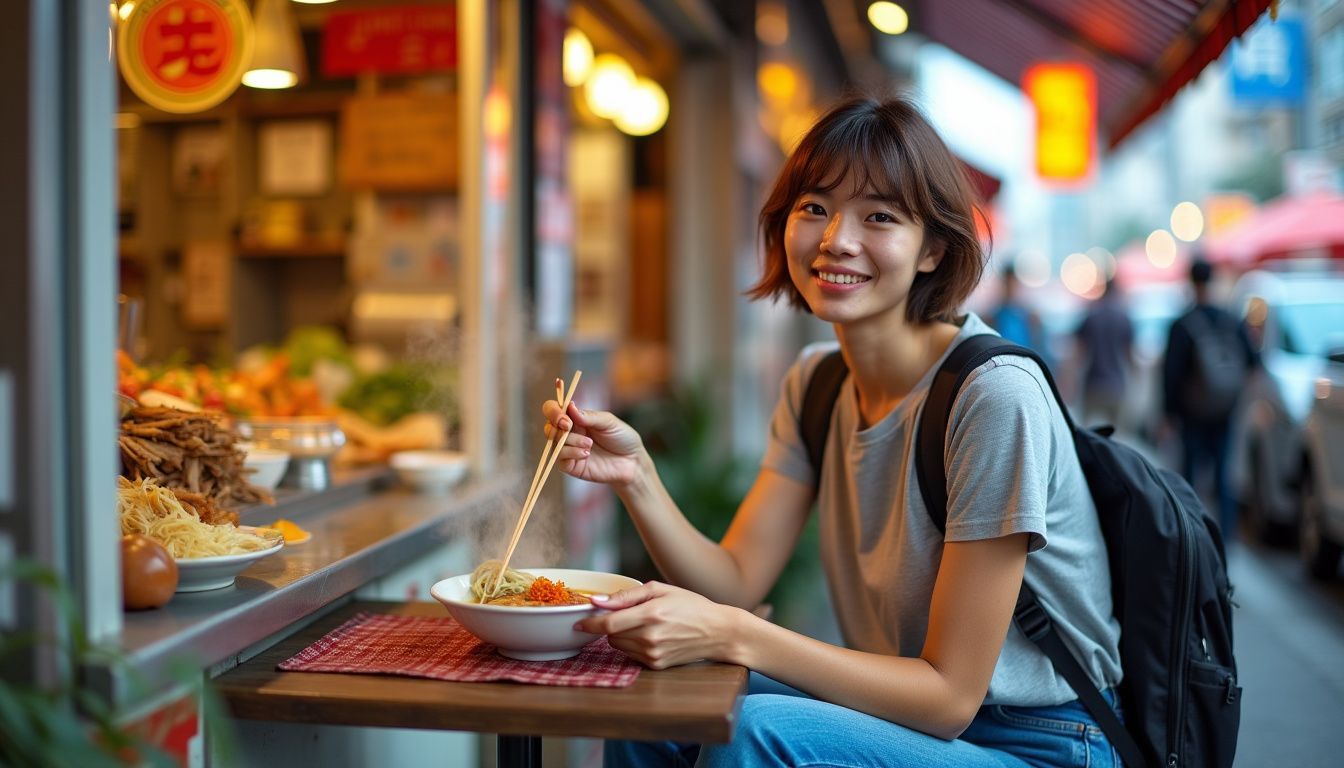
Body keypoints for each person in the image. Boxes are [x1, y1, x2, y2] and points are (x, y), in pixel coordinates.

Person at [542, 96, 1123, 767]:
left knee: (754, 733)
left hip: (1041, 740)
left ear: (934, 248)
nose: (835, 239)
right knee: (659, 702)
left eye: (878, 216)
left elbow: (950, 695)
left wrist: (733, 634)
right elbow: (735, 581)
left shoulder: (992, 397)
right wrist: (637, 475)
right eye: (814, 207)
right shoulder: (818, 381)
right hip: (903, 718)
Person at [1162, 257, 1256, 542]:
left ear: (1191, 282)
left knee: (1190, 478)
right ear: (1213, 281)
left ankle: (1194, 537)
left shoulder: (1183, 324)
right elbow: (1254, 363)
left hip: (1192, 414)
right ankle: (1226, 540)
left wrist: (1168, 413)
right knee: (1223, 478)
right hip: (1225, 412)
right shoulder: (1232, 320)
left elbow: (1171, 374)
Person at [1074, 277, 1135, 429]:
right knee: (1115, 436)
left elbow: (1079, 352)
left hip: (1093, 384)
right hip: (1116, 385)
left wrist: (1068, 381)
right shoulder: (1123, 318)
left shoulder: (1091, 316)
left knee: (1086, 434)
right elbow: (1129, 354)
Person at [988, 263, 1051, 364]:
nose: (1010, 288)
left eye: (1012, 284)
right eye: (1007, 284)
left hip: (1025, 363)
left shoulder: (1029, 316)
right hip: (1003, 363)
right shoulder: (994, 316)